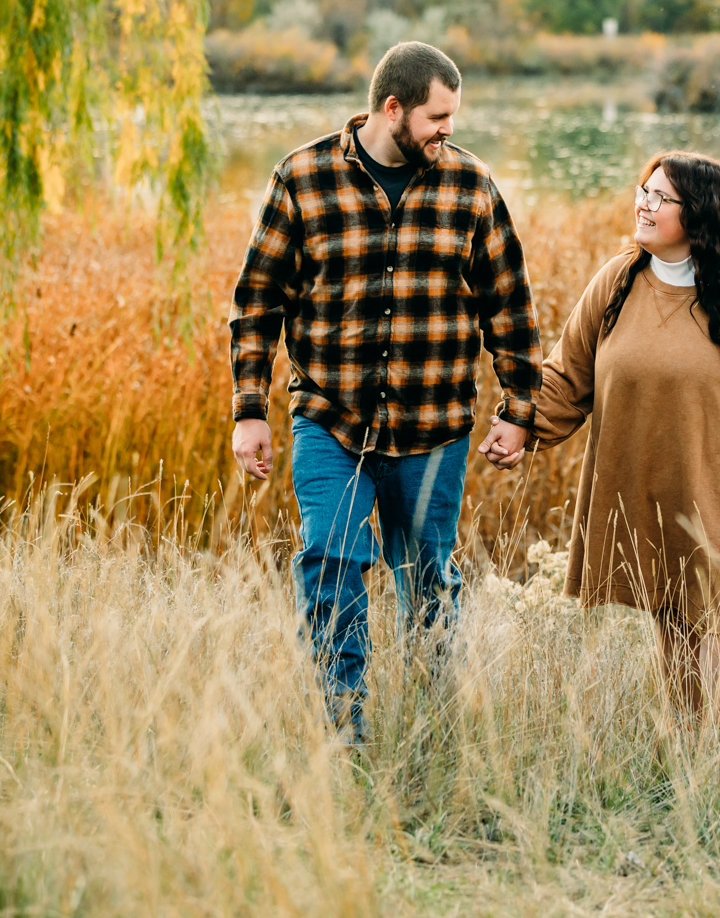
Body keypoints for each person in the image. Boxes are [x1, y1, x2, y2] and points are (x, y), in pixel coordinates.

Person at [229, 41, 540, 741]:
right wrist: (250, 410)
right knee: (332, 561)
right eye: (437, 116)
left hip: (433, 430)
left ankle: (433, 732)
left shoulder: (472, 188)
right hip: (329, 421)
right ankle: (344, 729)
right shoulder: (303, 179)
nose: (447, 130)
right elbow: (257, 303)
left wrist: (519, 410)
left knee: (428, 580)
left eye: (453, 117)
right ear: (392, 108)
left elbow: (510, 308)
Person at [485, 152, 720, 717]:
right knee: (678, 627)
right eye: (644, 190)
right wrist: (519, 424)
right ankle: (689, 773)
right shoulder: (618, 282)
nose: (644, 203)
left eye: (661, 198)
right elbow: (568, 374)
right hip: (662, 495)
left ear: (699, 214)